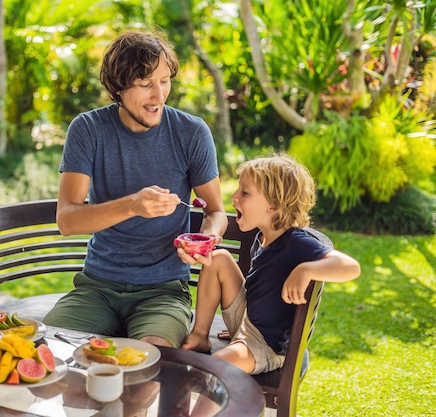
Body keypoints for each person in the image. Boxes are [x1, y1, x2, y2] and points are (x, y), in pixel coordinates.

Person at [42, 29, 227, 348]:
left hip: (164, 291)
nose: (159, 95)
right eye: (145, 84)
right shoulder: (88, 130)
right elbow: (67, 220)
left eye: (165, 80)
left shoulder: (191, 133)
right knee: (50, 350)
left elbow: (215, 210)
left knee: (153, 363)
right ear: (118, 88)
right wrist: (132, 205)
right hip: (96, 288)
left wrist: (206, 241)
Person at [182, 153, 361, 374]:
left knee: (213, 369)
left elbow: (351, 267)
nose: (234, 196)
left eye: (245, 193)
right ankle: (200, 336)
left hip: (266, 344)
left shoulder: (296, 242)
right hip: (249, 320)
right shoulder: (263, 235)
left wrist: (305, 269)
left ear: (274, 206)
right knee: (218, 258)